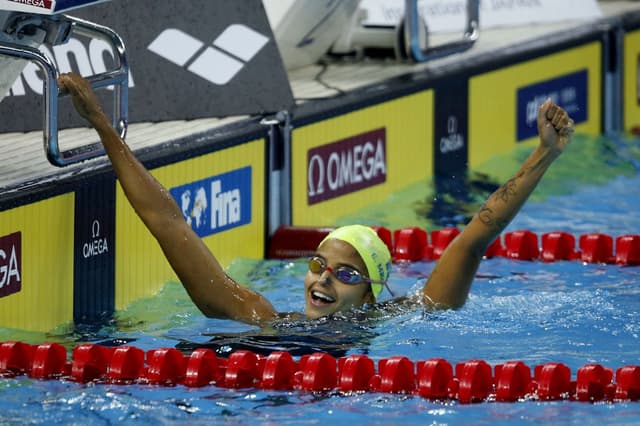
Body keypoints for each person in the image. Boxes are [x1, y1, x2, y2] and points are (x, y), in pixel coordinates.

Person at [59, 73, 575, 326]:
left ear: (371, 293)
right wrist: (102, 124)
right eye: (318, 264)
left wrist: (543, 156)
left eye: (346, 273)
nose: (324, 278)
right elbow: (169, 222)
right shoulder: (260, 316)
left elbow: (474, 237)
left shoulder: (396, 316)